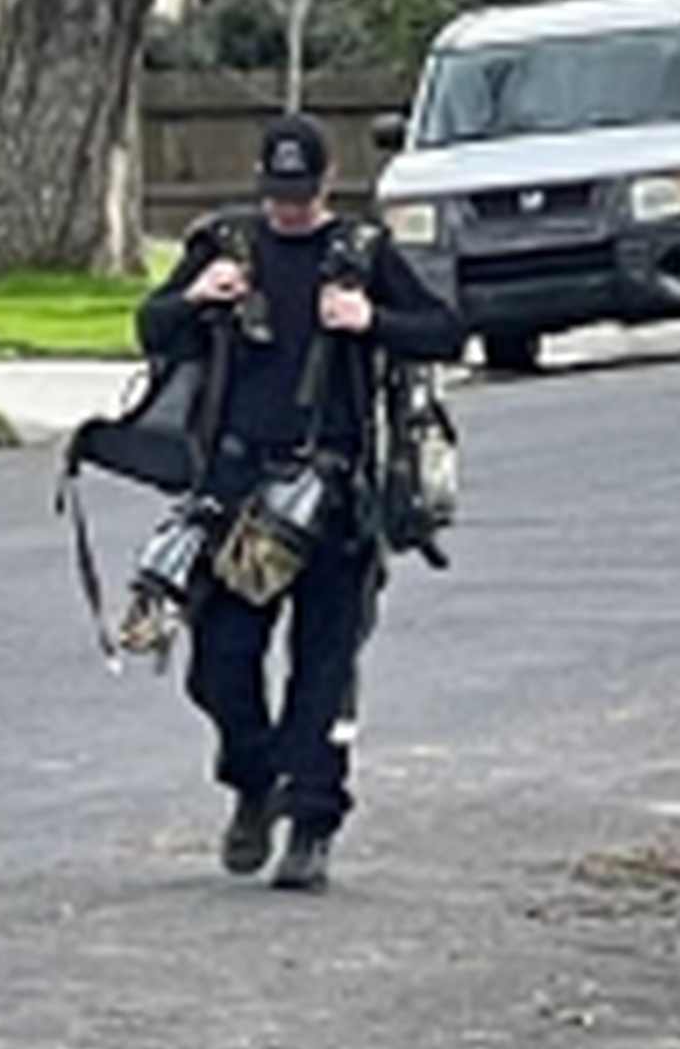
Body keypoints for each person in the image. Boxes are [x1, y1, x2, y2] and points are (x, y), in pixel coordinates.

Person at [136, 113, 464, 892]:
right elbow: (150, 327)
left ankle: (311, 823)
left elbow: (448, 331)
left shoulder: (361, 256)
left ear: (324, 186)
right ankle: (255, 779)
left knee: (322, 668)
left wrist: (371, 319)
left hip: (335, 494)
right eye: (274, 193)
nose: (285, 209)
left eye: (299, 195)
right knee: (218, 663)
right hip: (237, 492)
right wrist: (193, 297)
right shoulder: (226, 247)